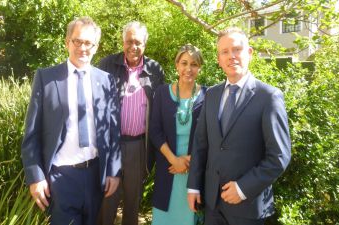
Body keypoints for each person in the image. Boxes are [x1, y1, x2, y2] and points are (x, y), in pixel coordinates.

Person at [21, 17, 121, 225]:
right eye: (77, 41)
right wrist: (36, 177)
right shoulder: (46, 78)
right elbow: (32, 133)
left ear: (96, 47)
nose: (82, 47)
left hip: (95, 175)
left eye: (88, 43)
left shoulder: (106, 81)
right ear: (67, 42)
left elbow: (113, 130)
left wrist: (113, 170)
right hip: (60, 177)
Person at [187, 27, 291, 225]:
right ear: (219, 59)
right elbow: (201, 144)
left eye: (237, 49)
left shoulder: (268, 97)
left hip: (247, 207)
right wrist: (193, 186)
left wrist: (243, 188)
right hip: (212, 204)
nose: (231, 56)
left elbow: (279, 156)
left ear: (249, 53)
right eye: (224, 52)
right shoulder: (211, 95)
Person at [98, 21, 165, 225]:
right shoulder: (107, 65)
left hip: (139, 146)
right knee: (107, 199)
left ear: (145, 44)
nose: (132, 47)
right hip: (112, 145)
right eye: (129, 41)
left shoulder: (155, 69)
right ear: (122, 41)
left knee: (132, 201)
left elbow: (160, 109)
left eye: (137, 42)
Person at [149, 44, 206, 225]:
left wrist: (190, 161)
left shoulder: (208, 95)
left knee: (187, 217)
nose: (188, 69)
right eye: (184, 63)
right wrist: (175, 160)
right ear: (176, 65)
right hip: (168, 167)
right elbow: (155, 131)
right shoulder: (162, 93)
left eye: (194, 64)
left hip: (193, 170)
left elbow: (211, 136)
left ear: (200, 68)